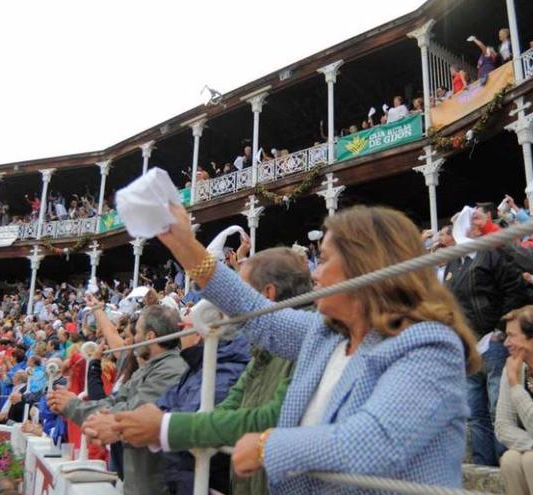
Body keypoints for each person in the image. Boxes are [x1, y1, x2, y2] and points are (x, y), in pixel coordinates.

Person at [148, 202, 480, 493]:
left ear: (364, 265)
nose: (315, 274)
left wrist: (267, 446)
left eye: (323, 260)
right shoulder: (328, 336)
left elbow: (375, 441)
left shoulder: (429, 346)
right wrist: (183, 243)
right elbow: (252, 311)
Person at [115, 247, 310, 495]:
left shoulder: (304, 341)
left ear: (267, 294)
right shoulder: (262, 350)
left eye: (240, 292)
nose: (228, 308)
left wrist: (167, 427)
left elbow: (272, 417)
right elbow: (228, 407)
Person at [47, 305, 187, 495]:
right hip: (140, 478)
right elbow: (114, 401)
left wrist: (73, 406)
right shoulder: (152, 367)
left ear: (150, 337)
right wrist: (76, 405)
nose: (134, 339)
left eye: (136, 333)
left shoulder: (172, 369)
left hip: (157, 483)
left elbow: (131, 413)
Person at [444, 207, 529, 466]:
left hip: (492, 342)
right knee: (475, 413)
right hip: (468, 347)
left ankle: (506, 464)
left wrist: (500, 330)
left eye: (461, 222)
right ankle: (484, 468)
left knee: (498, 410)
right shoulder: (453, 262)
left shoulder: (491, 253)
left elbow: (515, 289)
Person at [495, 306, 533, 495]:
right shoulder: (513, 368)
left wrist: (514, 385)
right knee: (510, 460)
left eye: (512, 335)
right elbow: (502, 427)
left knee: (532, 460)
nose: (506, 343)